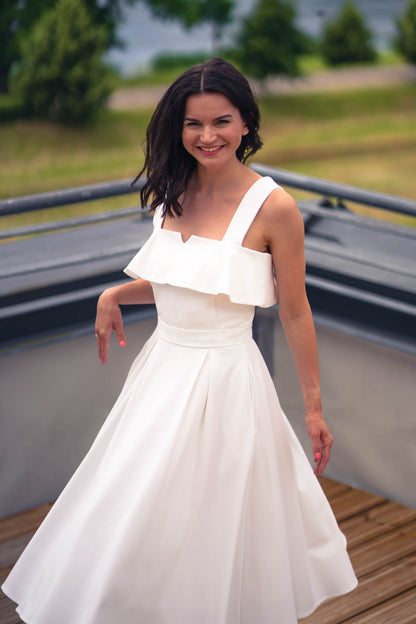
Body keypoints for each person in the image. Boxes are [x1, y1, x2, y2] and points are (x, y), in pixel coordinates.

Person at [2, 57, 357, 623]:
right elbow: (186, 284)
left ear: (246, 124)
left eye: (221, 121)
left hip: (226, 382)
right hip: (162, 373)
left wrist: (314, 407)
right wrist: (117, 294)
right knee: (138, 510)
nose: (207, 136)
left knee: (213, 521)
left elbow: (294, 310)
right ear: (178, 127)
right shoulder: (171, 190)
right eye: (194, 123)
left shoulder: (275, 208)